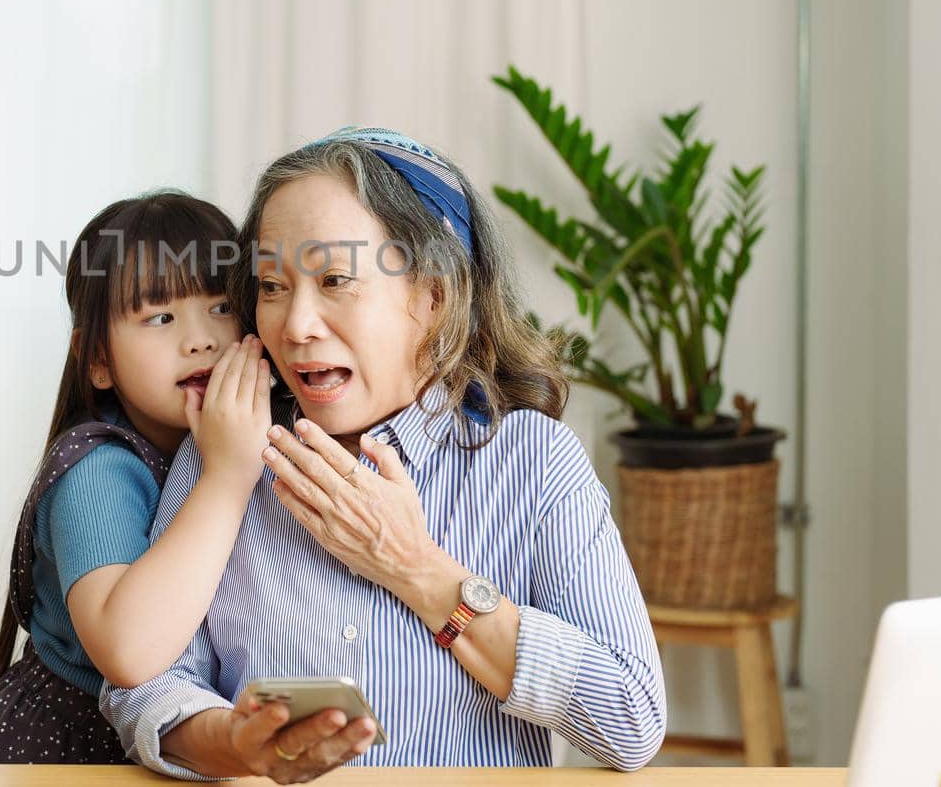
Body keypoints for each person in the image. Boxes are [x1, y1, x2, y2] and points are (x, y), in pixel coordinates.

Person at [102, 129, 666, 781]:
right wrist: (234, 740)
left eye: (334, 278)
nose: (295, 324)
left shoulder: (535, 464)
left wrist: (417, 569)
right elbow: (141, 687)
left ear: (432, 297)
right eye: (272, 285)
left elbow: (632, 720)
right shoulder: (224, 454)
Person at [0, 191, 274, 763]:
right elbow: (129, 651)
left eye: (222, 307)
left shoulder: (231, 439)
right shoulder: (99, 468)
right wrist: (227, 478)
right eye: (160, 317)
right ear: (97, 359)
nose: (201, 337)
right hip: (69, 753)